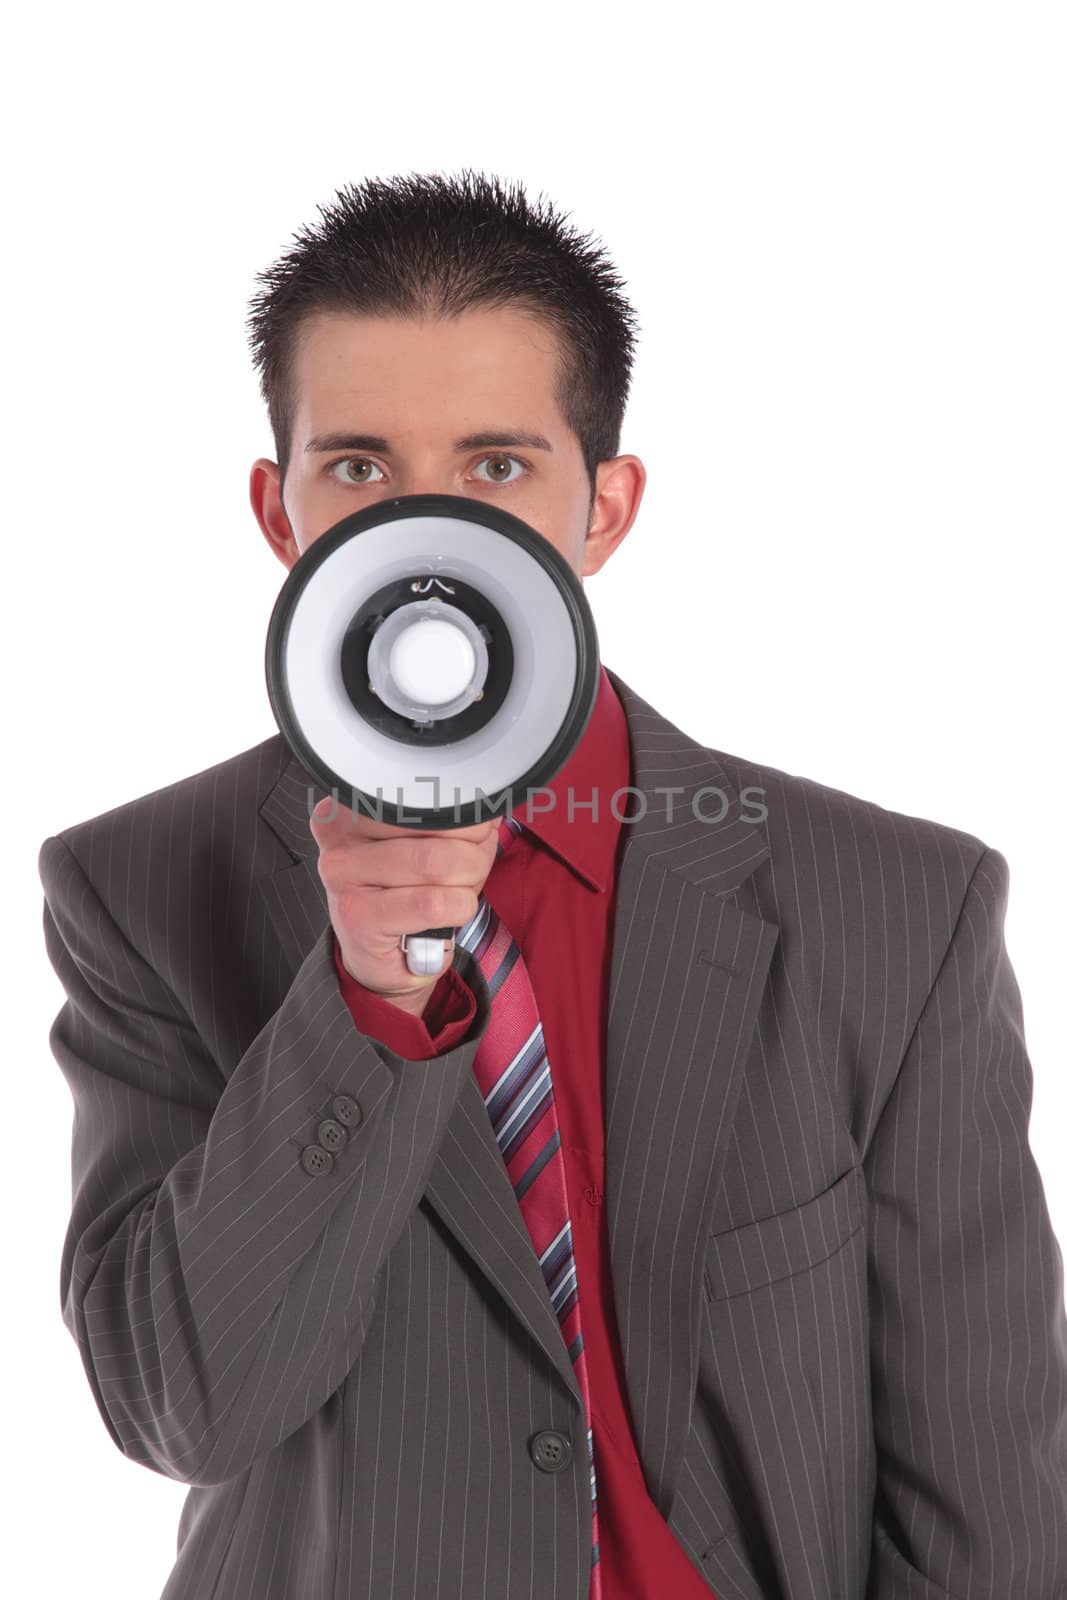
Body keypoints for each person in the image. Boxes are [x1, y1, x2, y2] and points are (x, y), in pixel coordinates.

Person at [38, 168, 1067, 1600]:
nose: (430, 540)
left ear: (606, 510)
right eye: (360, 468)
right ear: (281, 516)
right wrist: (365, 1003)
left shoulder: (896, 908)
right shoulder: (141, 887)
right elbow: (180, 1406)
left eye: (498, 469)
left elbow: (991, 1504)